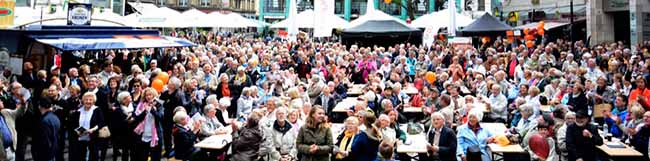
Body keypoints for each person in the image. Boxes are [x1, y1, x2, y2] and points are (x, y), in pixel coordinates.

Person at [69, 92, 105, 161]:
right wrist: (77, 131)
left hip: (93, 138)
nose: (88, 101)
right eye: (86, 100)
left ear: (93, 101)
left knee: (93, 157)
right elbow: (73, 124)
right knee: (80, 157)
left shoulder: (97, 110)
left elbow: (101, 122)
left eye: (90, 100)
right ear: (83, 101)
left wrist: (93, 129)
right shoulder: (78, 111)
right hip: (80, 138)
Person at [132, 88, 164, 161]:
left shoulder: (159, 105)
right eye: (146, 95)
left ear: (154, 95)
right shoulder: (141, 105)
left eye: (150, 95)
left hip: (155, 136)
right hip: (143, 135)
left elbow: (160, 118)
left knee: (155, 158)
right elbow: (136, 118)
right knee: (142, 157)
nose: (148, 97)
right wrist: (145, 111)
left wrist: (152, 110)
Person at [109, 92, 134, 161]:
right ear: (124, 99)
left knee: (130, 152)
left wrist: (133, 118)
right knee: (121, 151)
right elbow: (115, 123)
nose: (130, 96)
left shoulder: (134, 106)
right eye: (128, 96)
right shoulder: (117, 109)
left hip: (132, 133)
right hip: (121, 134)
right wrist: (127, 119)